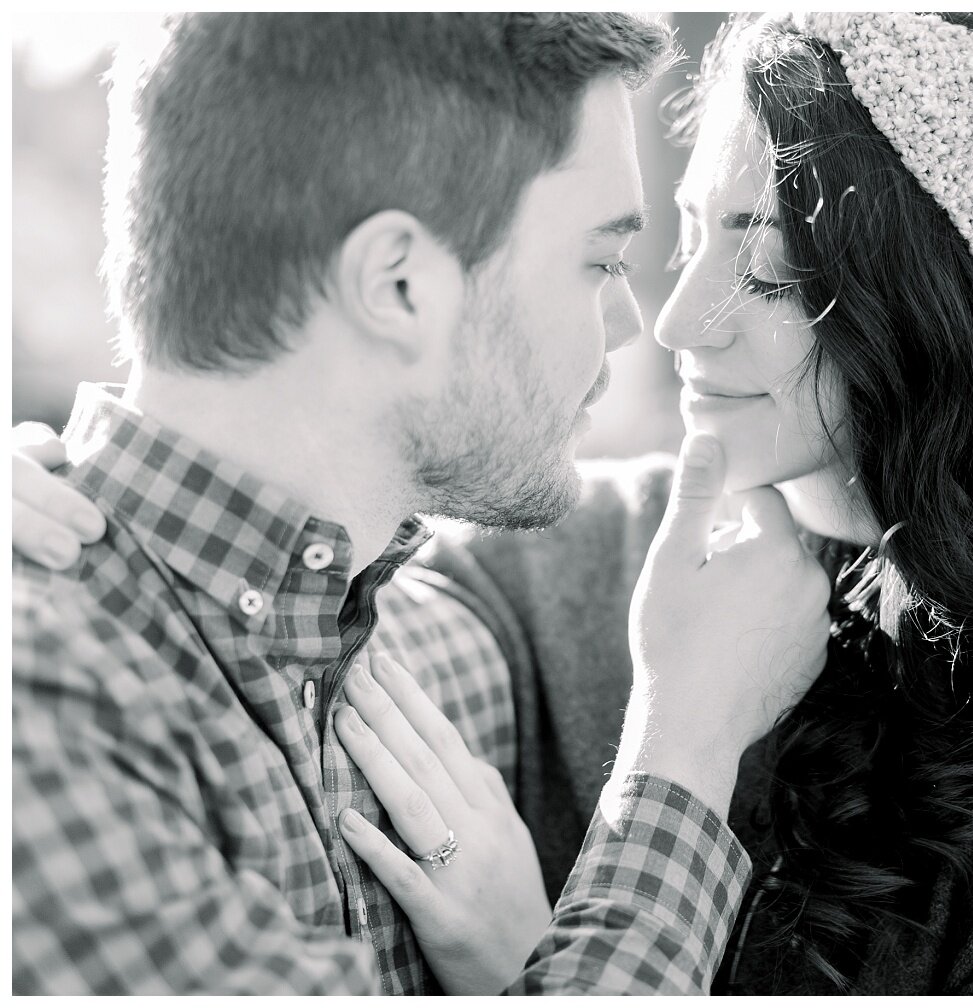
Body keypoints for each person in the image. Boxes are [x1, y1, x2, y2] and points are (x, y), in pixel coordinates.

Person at [16, 11, 973, 996]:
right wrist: (80, 518)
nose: (674, 317)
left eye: (764, 258)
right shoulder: (569, 559)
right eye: (675, 239)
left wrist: (522, 969)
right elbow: (275, 616)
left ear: (932, 307)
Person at [9, 12, 831, 995]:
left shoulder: (396, 650)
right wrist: (686, 751)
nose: (633, 324)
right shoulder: (44, 716)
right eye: (601, 261)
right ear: (398, 283)